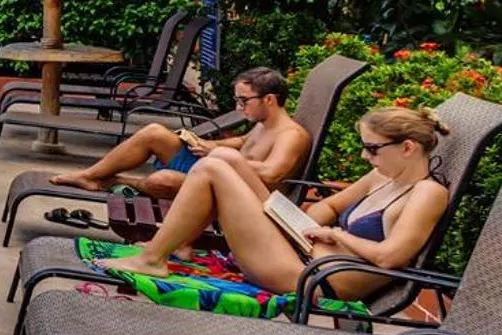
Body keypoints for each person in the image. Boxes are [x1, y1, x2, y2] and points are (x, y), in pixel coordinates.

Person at [92, 105, 452, 304]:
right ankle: (168, 249)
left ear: (408, 148)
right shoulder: (381, 178)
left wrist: (337, 236)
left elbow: (391, 257)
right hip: (304, 250)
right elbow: (326, 209)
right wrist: (305, 226)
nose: (365, 155)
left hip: (314, 279)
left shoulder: (426, 194)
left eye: (372, 149)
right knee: (229, 161)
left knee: (213, 167)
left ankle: (153, 258)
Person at [46, 66, 309, 200]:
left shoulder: (291, 136)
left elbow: (272, 173)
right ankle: (89, 175)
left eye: (244, 101)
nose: (239, 108)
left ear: (270, 100)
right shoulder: (264, 122)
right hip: (215, 166)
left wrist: (218, 153)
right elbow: (243, 142)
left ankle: (116, 181)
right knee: (154, 132)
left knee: (162, 180)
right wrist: (205, 144)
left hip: (235, 189)